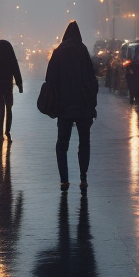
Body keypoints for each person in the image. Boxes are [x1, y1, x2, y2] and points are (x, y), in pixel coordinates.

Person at [46, 21, 98, 191]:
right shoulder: (83, 51)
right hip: (83, 107)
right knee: (84, 143)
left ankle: (64, 179)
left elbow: (50, 80)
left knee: (62, 143)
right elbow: (92, 80)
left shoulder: (59, 52)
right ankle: (83, 177)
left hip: (64, 106)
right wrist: (92, 105)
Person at [0, 32, 23, 142]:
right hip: (8, 85)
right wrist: (19, 84)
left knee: (0, 110)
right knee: (9, 108)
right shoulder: (10, 58)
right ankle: (7, 131)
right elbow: (16, 70)